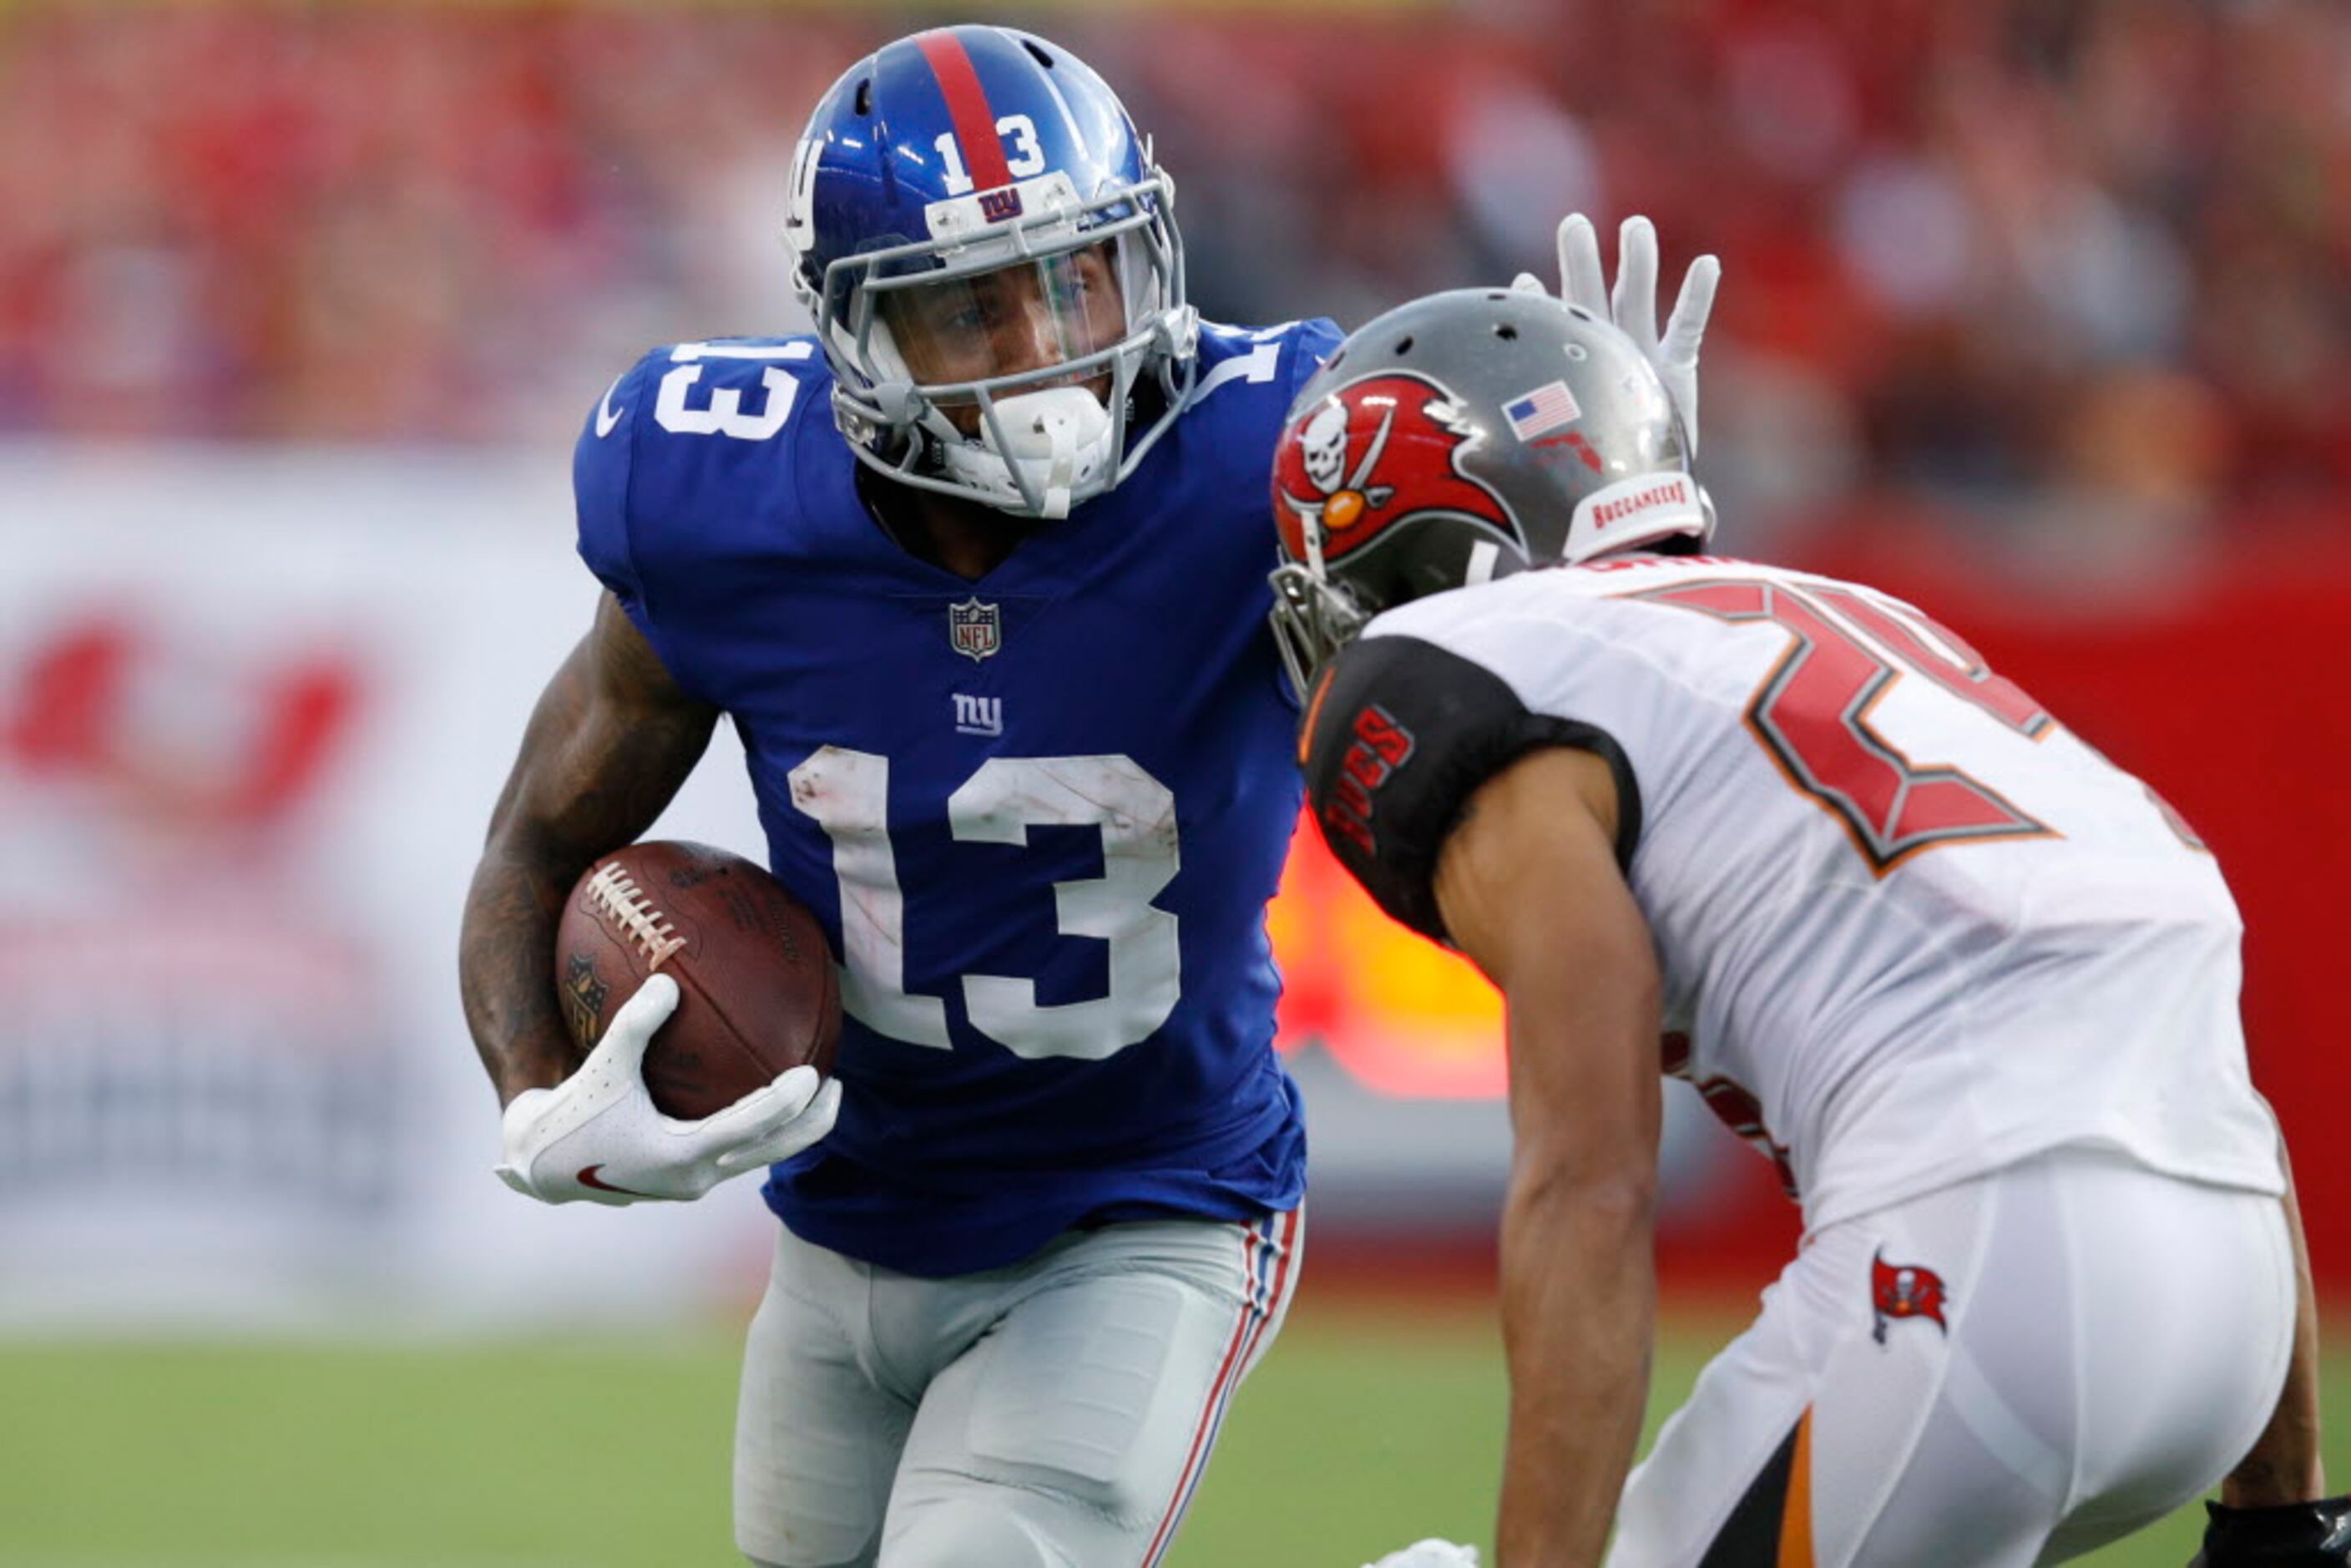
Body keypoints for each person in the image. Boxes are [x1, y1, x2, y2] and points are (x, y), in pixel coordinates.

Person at [456, 24, 1719, 1568]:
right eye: (972, 309)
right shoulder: (711, 493)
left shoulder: (1268, 451)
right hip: (846, 1218)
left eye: (1080, 277)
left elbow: (1537, 677)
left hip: (1151, 1202)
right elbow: (542, 829)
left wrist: (1614, 507)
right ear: (854, 335)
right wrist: (533, 1090)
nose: (1048, 346)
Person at [1272, 287, 2340, 1568]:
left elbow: (1589, 1175)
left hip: (1985, 1263)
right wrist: (2288, 1511)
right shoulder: (1867, 623)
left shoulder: (1456, 672)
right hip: (2233, 1308)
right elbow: (2180, 1040)